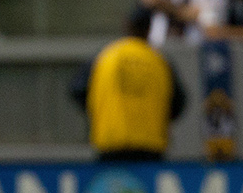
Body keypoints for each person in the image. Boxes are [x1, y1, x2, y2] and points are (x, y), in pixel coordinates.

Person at [73, 12, 186, 161]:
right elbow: (178, 102)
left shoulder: (105, 56)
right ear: (149, 29)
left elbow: (77, 90)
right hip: (150, 145)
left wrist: (99, 112)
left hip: (111, 142)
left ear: (126, 27)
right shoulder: (160, 61)